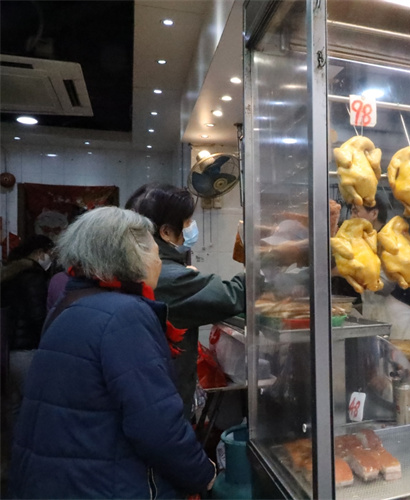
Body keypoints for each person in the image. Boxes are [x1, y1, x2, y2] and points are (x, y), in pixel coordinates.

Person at [8, 207, 216, 498]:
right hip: (106, 485)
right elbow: (156, 425)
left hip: (58, 480)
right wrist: (203, 474)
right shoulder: (125, 315)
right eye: (156, 254)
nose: (158, 262)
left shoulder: (68, 304)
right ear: (132, 257)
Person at [125, 183, 246, 418]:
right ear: (166, 232)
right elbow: (231, 296)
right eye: (188, 222)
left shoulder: (135, 263)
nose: (191, 227)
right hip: (160, 402)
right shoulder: (164, 275)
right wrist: (264, 260)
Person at [0, 235, 54, 433]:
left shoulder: (9, 274)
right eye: (49, 253)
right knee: (32, 403)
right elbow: (37, 316)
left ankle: (14, 446)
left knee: (13, 404)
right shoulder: (33, 277)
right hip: (27, 348)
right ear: (39, 253)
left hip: (7, 349)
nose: (50, 258)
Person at [349, 195, 410, 339]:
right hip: (374, 312)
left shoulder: (390, 240)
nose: (351, 217)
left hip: (396, 313)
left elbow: (386, 286)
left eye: (356, 211)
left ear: (374, 213)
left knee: (398, 352)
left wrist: (348, 271)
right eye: (351, 212)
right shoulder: (365, 242)